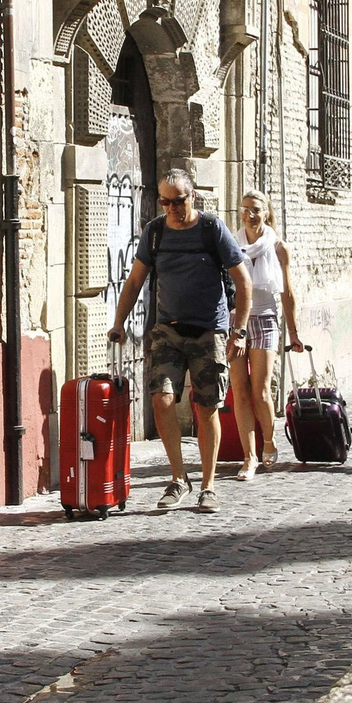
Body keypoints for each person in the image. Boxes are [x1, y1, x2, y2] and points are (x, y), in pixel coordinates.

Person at [108, 169, 253, 512]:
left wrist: (240, 331)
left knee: (206, 408)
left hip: (209, 331)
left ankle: (208, 484)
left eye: (179, 200)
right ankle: (178, 478)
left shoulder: (211, 229)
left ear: (193, 195)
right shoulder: (155, 232)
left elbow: (243, 281)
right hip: (167, 331)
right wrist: (118, 322)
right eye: (165, 201)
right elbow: (134, 281)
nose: (172, 207)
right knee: (161, 399)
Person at [227, 189, 303, 481]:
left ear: (266, 212)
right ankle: (249, 457)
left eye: (256, 209)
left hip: (267, 320)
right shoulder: (231, 245)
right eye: (245, 209)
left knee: (261, 389)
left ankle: (268, 441)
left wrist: (293, 332)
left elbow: (288, 292)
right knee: (239, 390)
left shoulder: (278, 247)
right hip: (236, 322)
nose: (250, 214)